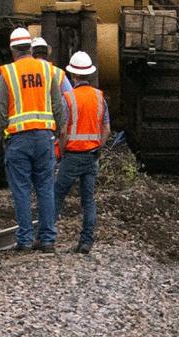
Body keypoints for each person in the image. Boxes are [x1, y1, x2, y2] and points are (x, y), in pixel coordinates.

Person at [0, 27, 69, 252]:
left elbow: (0, 112)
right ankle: (47, 240)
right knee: (46, 188)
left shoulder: (8, 73)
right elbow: (58, 105)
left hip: (18, 140)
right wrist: (60, 132)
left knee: (22, 190)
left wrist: (2, 136)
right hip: (44, 138)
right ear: (30, 47)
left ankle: (25, 240)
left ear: (12, 49)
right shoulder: (47, 70)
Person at [54, 51, 111, 253]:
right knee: (88, 200)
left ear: (73, 76)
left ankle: (47, 237)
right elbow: (106, 129)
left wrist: (60, 153)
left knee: (57, 195)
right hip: (92, 156)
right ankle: (86, 242)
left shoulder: (68, 98)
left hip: (72, 156)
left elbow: (62, 131)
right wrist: (97, 147)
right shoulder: (99, 97)